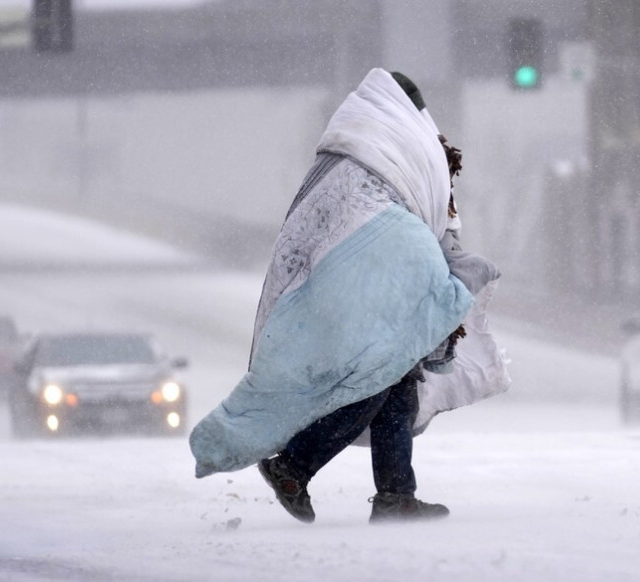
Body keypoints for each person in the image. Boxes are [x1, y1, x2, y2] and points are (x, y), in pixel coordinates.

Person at [189, 68, 507, 523]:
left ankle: (396, 494)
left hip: (339, 278)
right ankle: (293, 466)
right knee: (376, 377)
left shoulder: (351, 148)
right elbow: (424, 216)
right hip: (366, 279)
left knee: (396, 381)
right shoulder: (402, 147)